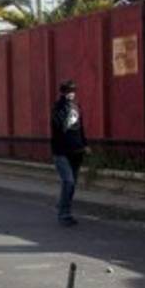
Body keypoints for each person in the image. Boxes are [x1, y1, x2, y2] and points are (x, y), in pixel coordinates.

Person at [50, 79, 87, 226]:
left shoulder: (76, 106)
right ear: (62, 92)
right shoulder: (58, 108)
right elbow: (60, 128)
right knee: (68, 181)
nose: (71, 94)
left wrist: (85, 144)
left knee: (72, 184)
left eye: (72, 91)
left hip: (76, 151)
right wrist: (65, 106)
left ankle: (64, 207)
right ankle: (63, 214)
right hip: (61, 152)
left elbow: (80, 128)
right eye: (67, 91)